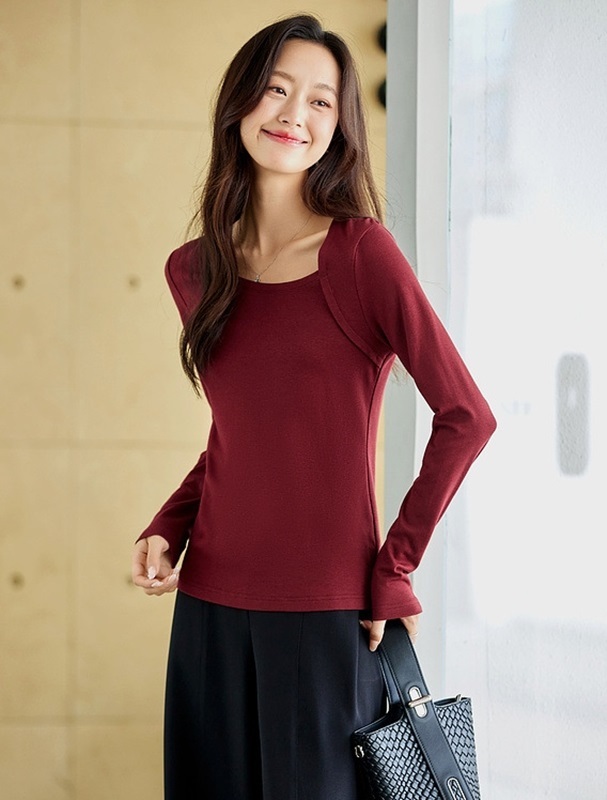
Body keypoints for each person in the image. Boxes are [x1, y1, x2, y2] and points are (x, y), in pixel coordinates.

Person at [131, 13, 496, 800]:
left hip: (326, 616)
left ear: (339, 126)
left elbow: (467, 416)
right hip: (207, 610)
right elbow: (241, 433)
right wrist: (169, 524)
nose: (294, 114)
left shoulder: (361, 254)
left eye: (320, 101)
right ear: (238, 103)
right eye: (275, 89)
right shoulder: (192, 270)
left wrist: (394, 567)